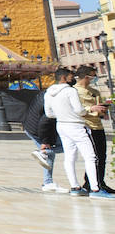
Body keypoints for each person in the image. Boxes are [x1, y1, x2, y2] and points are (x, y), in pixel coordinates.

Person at [44, 68, 115, 199]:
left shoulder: (48, 92)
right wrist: (86, 111)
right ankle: (95, 189)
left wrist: (63, 114)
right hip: (76, 125)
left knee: (70, 157)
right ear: (64, 78)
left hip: (62, 125)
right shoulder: (71, 91)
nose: (73, 78)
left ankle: (75, 187)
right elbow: (79, 111)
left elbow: (49, 113)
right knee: (91, 157)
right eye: (71, 76)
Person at [75, 66, 113, 194]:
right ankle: (91, 184)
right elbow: (76, 110)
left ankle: (99, 182)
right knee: (93, 157)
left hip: (98, 126)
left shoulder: (94, 91)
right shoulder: (74, 92)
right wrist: (91, 109)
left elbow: (98, 107)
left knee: (101, 156)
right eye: (92, 76)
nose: (94, 78)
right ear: (86, 76)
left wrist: (102, 110)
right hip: (87, 126)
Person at [21, 86, 62, 192]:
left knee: (50, 154)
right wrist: (45, 141)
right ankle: (47, 181)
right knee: (68, 146)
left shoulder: (47, 94)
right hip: (36, 130)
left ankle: (47, 182)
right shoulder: (52, 100)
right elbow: (45, 121)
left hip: (32, 126)